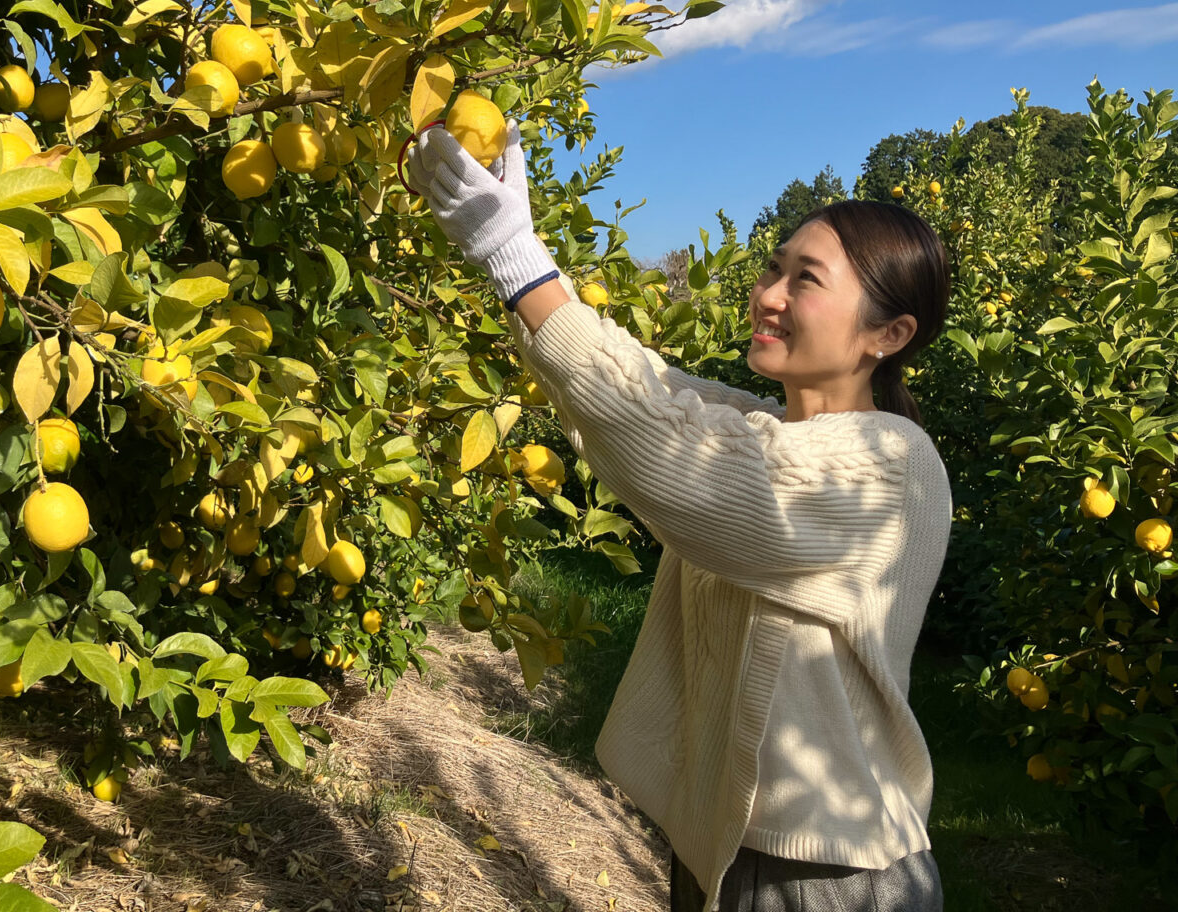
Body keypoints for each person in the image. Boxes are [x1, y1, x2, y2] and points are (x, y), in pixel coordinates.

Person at [406, 118, 953, 911]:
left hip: (832, 877)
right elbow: (650, 397)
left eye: (806, 279)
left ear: (888, 334)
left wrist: (517, 260)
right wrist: (516, 263)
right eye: (773, 268)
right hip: (718, 855)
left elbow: (676, 460)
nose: (767, 295)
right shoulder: (770, 433)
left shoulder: (890, 466)